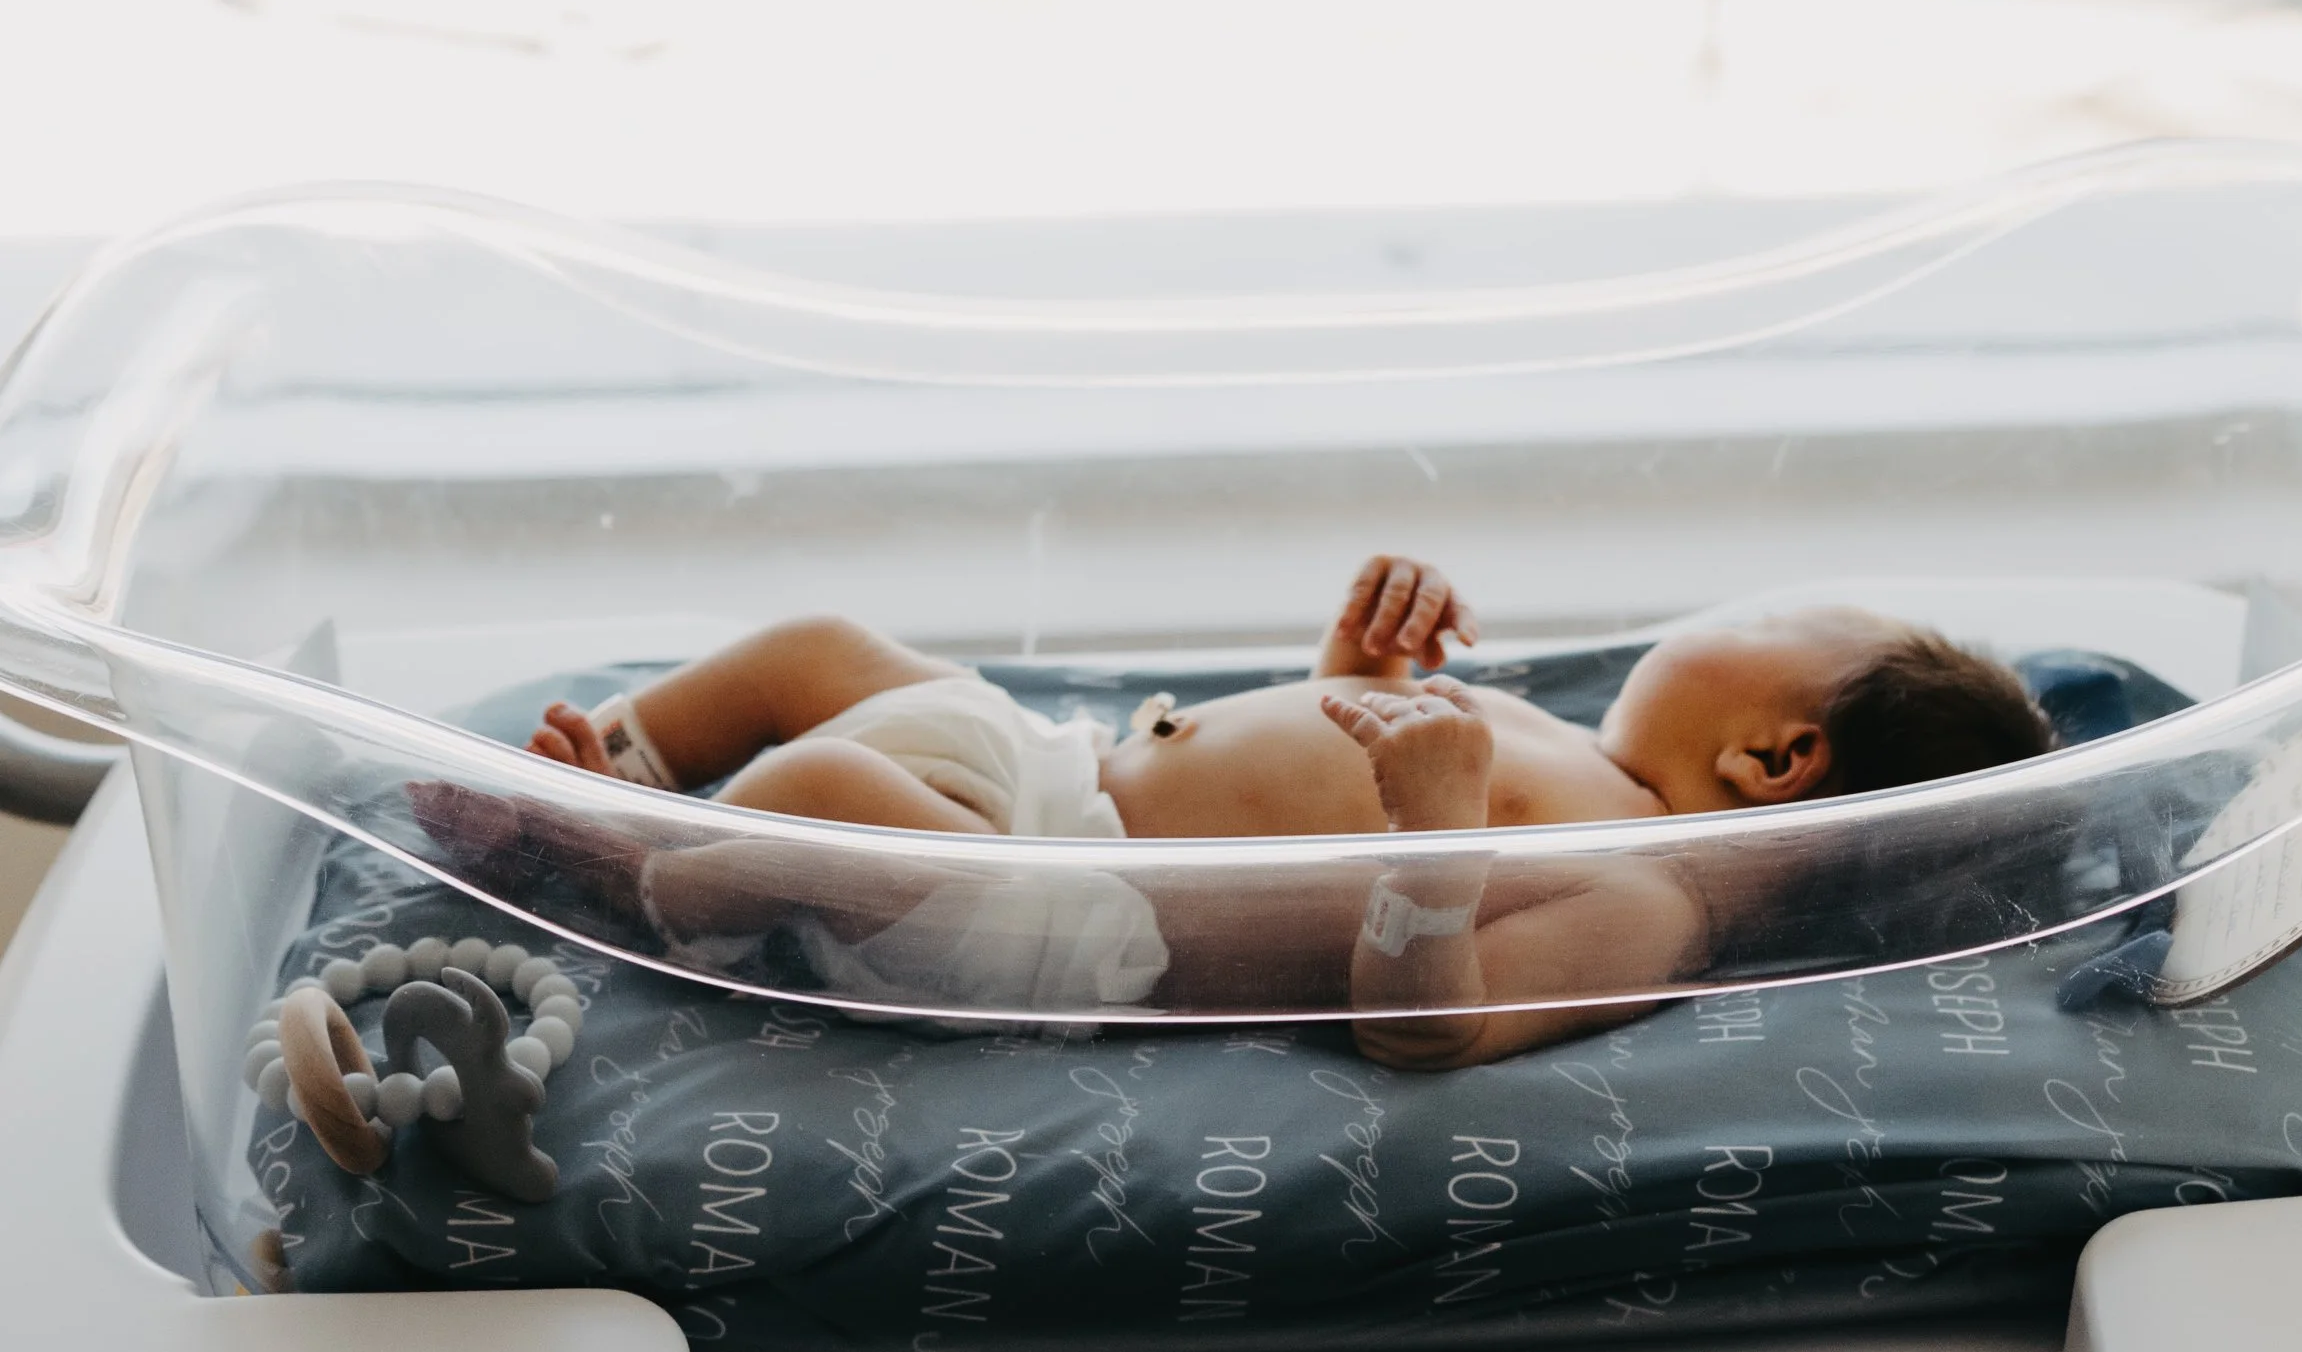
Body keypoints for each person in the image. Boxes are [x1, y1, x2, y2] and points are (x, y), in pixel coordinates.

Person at [520, 557, 2049, 1064]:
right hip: (1064, 775)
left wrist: (1437, 838)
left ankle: (641, 876)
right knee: (820, 651)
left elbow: (1422, 1031)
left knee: (830, 793)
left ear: (1775, 758)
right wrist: (1357, 668)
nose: (1725, 607)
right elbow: (1317, 774)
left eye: (1768, 619)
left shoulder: (1650, 901)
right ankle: (626, 761)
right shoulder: (1589, 758)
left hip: (1069, 914)